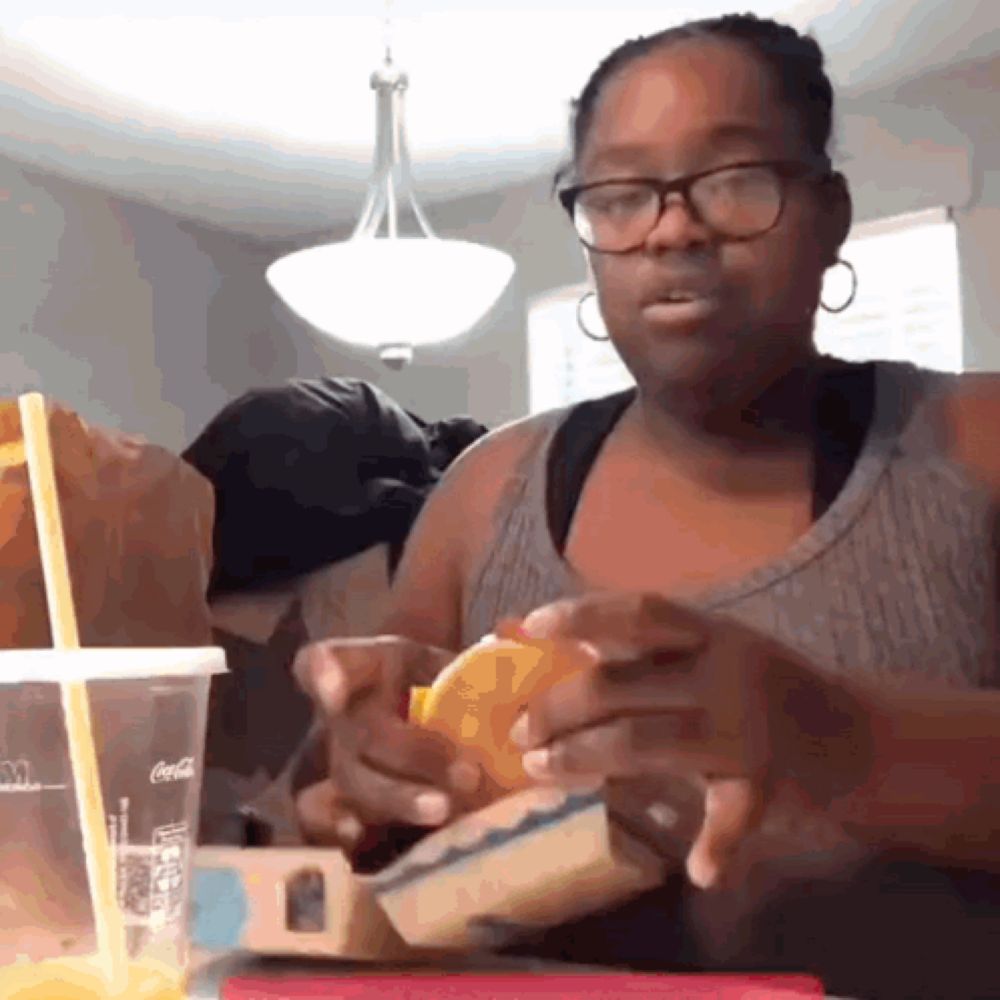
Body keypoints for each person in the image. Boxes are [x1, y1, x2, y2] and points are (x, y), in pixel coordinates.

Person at [291, 13, 1000, 998]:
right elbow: (343, 819)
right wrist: (363, 767)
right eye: (621, 196)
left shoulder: (976, 442)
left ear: (828, 212)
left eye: (733, 179)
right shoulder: (484, 491)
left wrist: (830, 732)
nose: (671, 227)